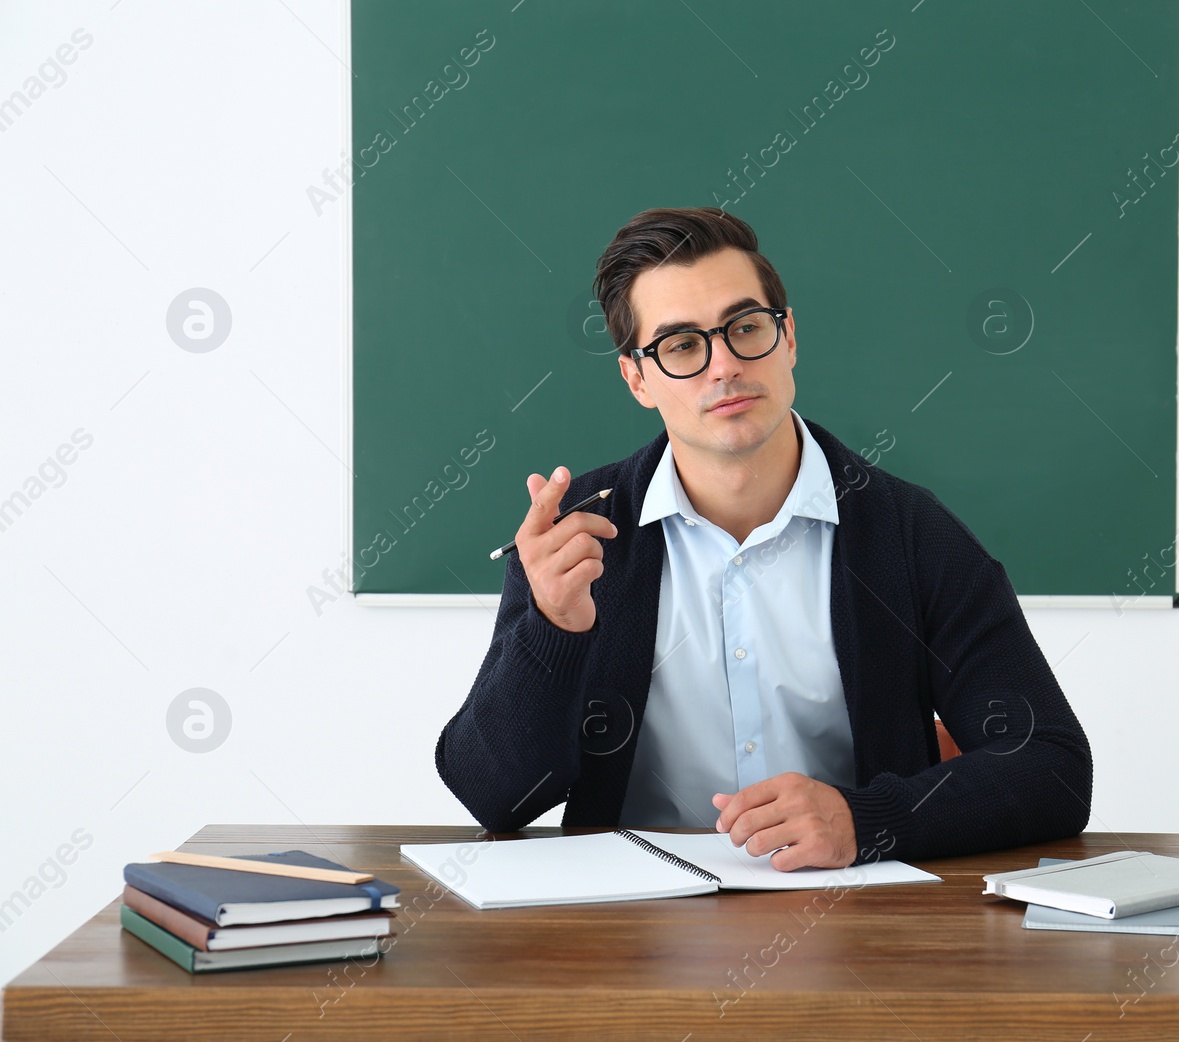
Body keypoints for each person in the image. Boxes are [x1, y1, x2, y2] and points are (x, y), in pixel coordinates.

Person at [435, 207, 1092, 870]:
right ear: (637, 378)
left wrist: (867, 821)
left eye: (745, 328)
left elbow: (1053, 768)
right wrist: (552, 629)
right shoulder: (577, 538)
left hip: (856, 923)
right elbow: (494, 798)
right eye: (682, 345)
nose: (723, 365)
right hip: (629, 931)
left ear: (789, 341)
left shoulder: (912, 533)